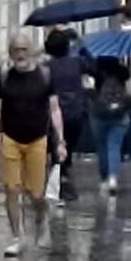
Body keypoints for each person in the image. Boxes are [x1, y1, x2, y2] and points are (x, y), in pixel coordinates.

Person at [0, 33, 66, 256]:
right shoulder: (5, 79)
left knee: (36, 194)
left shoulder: (44, 76)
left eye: (24, 49)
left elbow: (54, 109)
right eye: (16, 50)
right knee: (11, 189)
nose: (20, 54)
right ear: (11, 53)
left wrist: (60, 139)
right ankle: (17, 236)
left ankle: (42, 223)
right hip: (11, 139)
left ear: (31, 51)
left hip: (37, 140)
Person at [44, 29, 90, 203]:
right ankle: (62, 180)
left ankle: (60, 181)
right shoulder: (77, 62)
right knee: (66, 150)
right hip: (76, 113)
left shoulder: (47, 67)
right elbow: (93, 67)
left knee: (57, 148)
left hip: (55, 114)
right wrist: (83, 48)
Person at [89, 55, 131, 196]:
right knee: (114, 146)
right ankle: (113, 178)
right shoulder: (123, 71)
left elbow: (90, 91)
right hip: (120, 115)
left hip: (99, 115)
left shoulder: (96, 70)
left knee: (102, 148)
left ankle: (104, 179)